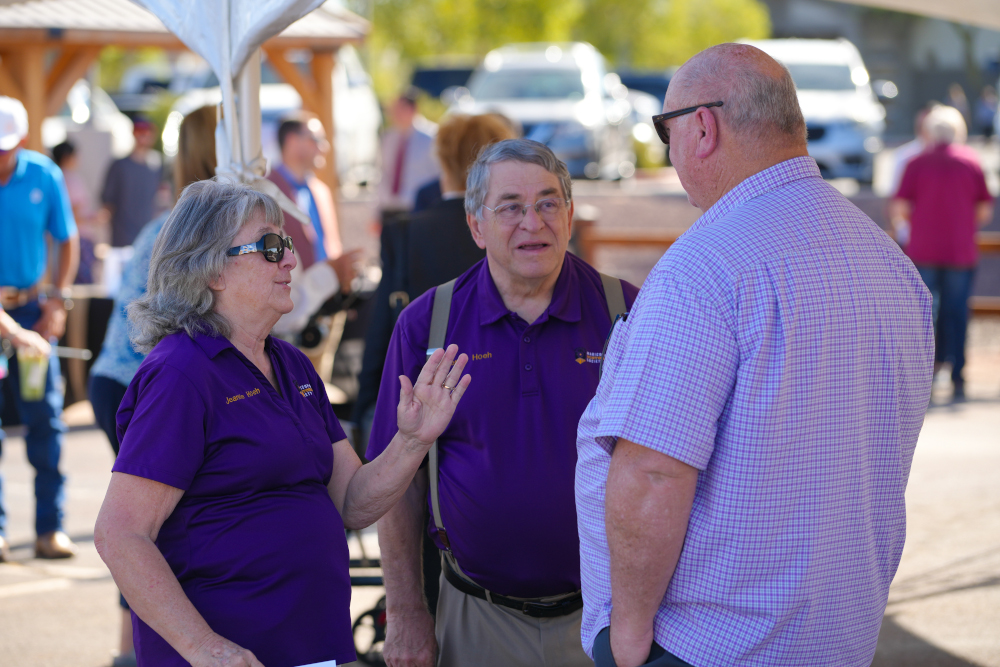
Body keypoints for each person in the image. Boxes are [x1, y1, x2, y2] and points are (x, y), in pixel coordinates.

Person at [575, 43, 935, 667]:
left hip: (708, 647)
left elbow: (654, 471)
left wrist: (627, 638)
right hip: (840, 640)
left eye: (667, 130)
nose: (669, 148)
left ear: (703, 127)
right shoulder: (892, 267)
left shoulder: (705, 267)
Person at [94, 179, 472, 667]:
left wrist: (412, 441)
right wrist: (205, 648)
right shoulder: (180, 374)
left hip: (315, 648)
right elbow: (120, 534)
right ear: (212, 270)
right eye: (271, 247)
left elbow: (352, 502)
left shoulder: (290, 363)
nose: (291, 260)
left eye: (287, 245)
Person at [369, 138, 639, 667]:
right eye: (511, 207)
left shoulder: (626, 314)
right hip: (475, 617)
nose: (532, 223)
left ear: (570, 215)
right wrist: (404, 612)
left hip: (608, 618)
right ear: (476, 226)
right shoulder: (428, 326)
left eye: (546, 203)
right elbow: (396, 482)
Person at [88, 104, 218, 667]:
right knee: (145, 527)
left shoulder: (183, 221)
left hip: (123, 378)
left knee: (151, 523)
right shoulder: (192, 229)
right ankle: (133, 654)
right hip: (129, 383)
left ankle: (130, 651)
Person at [354, 113, 517, 449]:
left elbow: (382, 326)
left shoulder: (405, 231)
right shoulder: (515, 229)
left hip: (424, 396)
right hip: (506, 389)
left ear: (442, 160)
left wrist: (364, 408)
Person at [0, 95, 80, 562]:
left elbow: (66, 238)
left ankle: (50, 528)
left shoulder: (43, 175)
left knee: (44, 423)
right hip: (13, 322)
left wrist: (57, 300)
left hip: (31, 311)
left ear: (23, 141)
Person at [890, 104, 994, 400]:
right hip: (959, 250)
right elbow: (984, 210)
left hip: (923, 249)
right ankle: (959, 373)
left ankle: (929, 373)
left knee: (925, 314)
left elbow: (900, 207)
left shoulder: (916, 163)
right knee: (957, 311)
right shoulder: (971, 162)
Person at [266, 113, 360, 338]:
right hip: (292, 315)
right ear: (292, 141)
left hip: (329, 308)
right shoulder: (266, 193)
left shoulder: (320, 190)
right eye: (316, 139)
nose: (325, 147)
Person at [374, 89, 440, 226]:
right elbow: (383, 174)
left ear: (413, 109)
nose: (394, 114)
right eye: (393, 109)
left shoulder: (431, 138)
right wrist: (376, 212)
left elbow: (438, 176)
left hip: (419, 209)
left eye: (399, 109)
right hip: (390, 210)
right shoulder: (388, 137)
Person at [101, 115, 163, 248]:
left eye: (147, 132)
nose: (144, 136)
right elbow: (107, 203)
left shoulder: (156, 166)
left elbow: (161, 199)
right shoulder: (119, 165)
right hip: (122, 239)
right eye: (140, 131)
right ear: (133, 133)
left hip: (149, 238)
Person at [53, 141, 100, 284]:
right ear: (68, 157)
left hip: (59, 240)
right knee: (81, 287)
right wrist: (93, 218)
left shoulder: (54, 177)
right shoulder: (71, 180)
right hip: (78, 240)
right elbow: (71, 216)